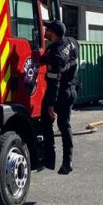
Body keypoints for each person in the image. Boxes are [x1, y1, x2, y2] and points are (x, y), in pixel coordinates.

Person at [37, 19, 78, 174]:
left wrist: (50, 105)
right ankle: (68, 162)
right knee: (65, 125)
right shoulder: (72, 42)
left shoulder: (55, 54)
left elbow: (54, 84)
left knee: (46, 122)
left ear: (53, 34)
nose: (45, 32)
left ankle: (49, 159)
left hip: (60, 93)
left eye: (48, 30)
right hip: (72, 89)